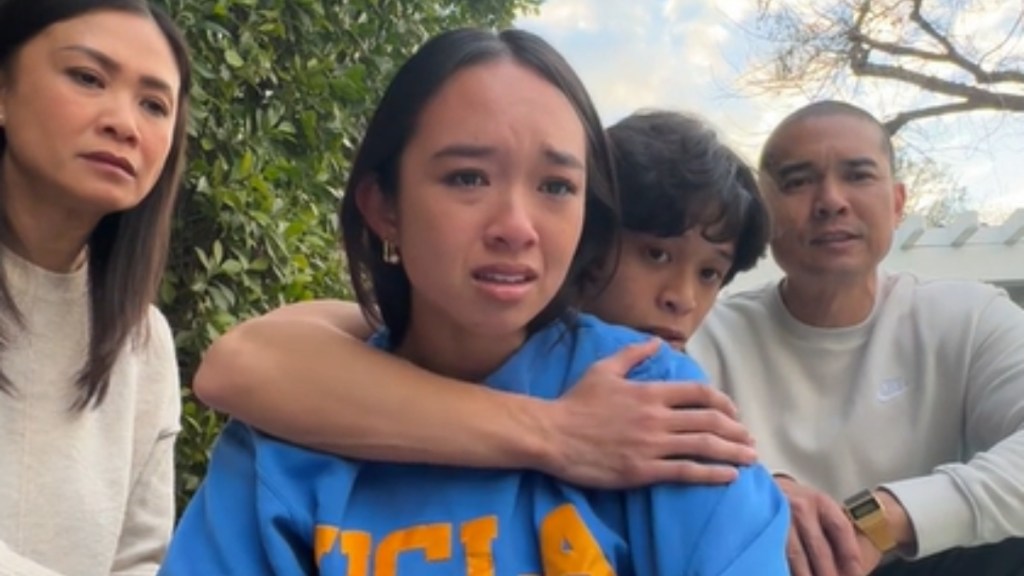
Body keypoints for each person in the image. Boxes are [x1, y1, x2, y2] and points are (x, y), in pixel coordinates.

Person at [162, 28, 788, 574]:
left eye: (555, 186)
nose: (517, 226)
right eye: (467, 177)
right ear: (384, 206)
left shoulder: (656, 404)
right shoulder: (289, 435)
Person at [191, 110, 772, 488]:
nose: (681, 298)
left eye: (711, 274)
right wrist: (560, 431)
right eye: (656, 255)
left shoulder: (675, 411)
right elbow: (238, 364)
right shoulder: (410, 342)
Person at [689, 100, 1024, 576]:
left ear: (898, 202)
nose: (831, 201)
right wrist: (760, 492)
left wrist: (882, 518)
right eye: (798, 181)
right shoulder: (705, 337)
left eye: (859, 175)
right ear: (762, 214)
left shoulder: (970, 317)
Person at [0, 0, 190, 574]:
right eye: (88, 77)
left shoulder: (143, 341)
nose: (123, 123)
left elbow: (139, 560)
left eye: (154, 105)